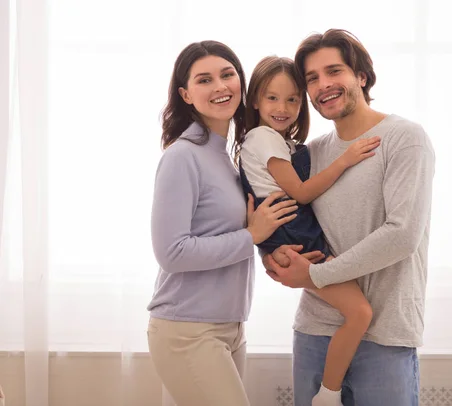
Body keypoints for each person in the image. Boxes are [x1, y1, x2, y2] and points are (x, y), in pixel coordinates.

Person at [264, 29, 436, 406]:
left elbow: (402, 234)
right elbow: (285, 216)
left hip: (385, 336)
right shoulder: (309, 155)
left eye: (334, 71)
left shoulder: (405, 138)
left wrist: (314, 275)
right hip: (316, 332)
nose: (323, 84)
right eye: (312, 78)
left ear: (360, 75)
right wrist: (272, 255)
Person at [146, 40, 302, 406]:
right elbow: (172, 253)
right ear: (186, 94)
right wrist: (251, 235)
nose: (220, 86)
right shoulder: (183, 156)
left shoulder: (228, 158)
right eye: (204, 80)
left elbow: (227, 236)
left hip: (229, 327)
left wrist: (266, 248)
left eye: (227, 74)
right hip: (188, 330)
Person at [234, 55, 380, 406]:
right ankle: (327, 396)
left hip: (292, 235)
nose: (283, 107)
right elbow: (300, 192)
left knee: (356, 310)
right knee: (360, 313)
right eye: (272, 98)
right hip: (295, 236)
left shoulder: (280, 143)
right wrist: (347, 158)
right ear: (255, 100)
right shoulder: (264, 138)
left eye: (293, 99)